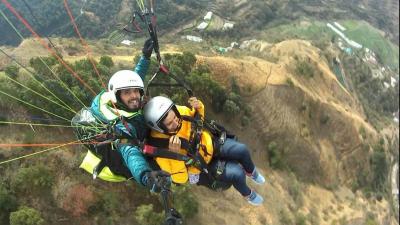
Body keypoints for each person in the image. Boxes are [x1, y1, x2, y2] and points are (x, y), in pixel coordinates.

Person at [79, 39, 168, 192]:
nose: (134, 96)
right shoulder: (122, 124)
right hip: (130, 154)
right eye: (127, 93)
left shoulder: (122, 102)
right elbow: (130, 152)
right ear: (117, 97)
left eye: (136, 91)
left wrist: (145, 58)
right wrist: (146, 176)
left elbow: (132, 79)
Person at [143, 96, 265, 205]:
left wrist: (199, 106)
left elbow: (198, 120)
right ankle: (248, 194)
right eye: (170, 123)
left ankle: (251, 172)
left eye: (175, 117)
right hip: (200, 166)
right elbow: (180, 179)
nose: (176, 122)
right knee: (237, 173)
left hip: (208, 144)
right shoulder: (161, 150)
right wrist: (175, 155)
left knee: (242, 150)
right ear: (159, 128)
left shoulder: (180, 112)